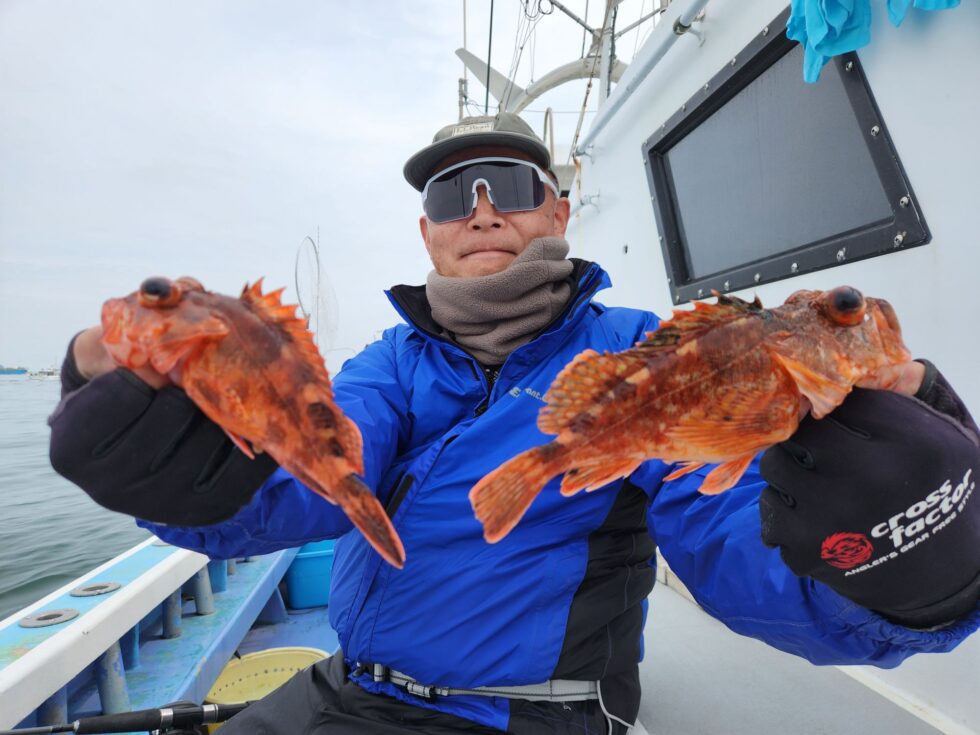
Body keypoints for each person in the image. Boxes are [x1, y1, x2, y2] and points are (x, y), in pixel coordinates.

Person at [50, 112, 980, 735]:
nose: (482, 208)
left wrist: (903, 566)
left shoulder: (646, 354)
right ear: (427, 234)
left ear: (560, 210)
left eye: (508, 183)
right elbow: (325, 469)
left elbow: (734, 534)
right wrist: (185, 472)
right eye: (454, 197)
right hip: (353, 692)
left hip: (532, 716)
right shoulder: (388, 364)